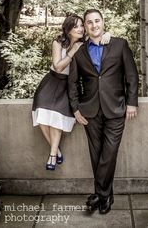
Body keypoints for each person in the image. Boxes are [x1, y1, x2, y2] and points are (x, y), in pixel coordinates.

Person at [68, 9, 139, 214]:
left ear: (103, 22)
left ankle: (99, 195)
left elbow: (131, 75)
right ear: (85, 27)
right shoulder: (78, 51)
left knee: (109, 154)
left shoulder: (119, 44)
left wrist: (132, 102)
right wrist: (75, 109)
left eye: (97, 21)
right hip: (89, 110)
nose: (93, 25)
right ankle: (106, 197)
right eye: (89, 22)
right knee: (96, 155)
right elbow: (72, 82)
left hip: (117, 108)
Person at [32, 14, 110, 171]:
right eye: (76, 26)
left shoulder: (85, 44)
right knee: (41, 115)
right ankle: (57, 151)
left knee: (56, 117)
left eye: (82, 25)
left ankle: (53, 154)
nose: (81, 29)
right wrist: (72, 51)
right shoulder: (58, 42)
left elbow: (101, 35)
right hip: (51, 82)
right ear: (68, 29)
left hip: (67, 86)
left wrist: (107, 34)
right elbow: (58, 66)